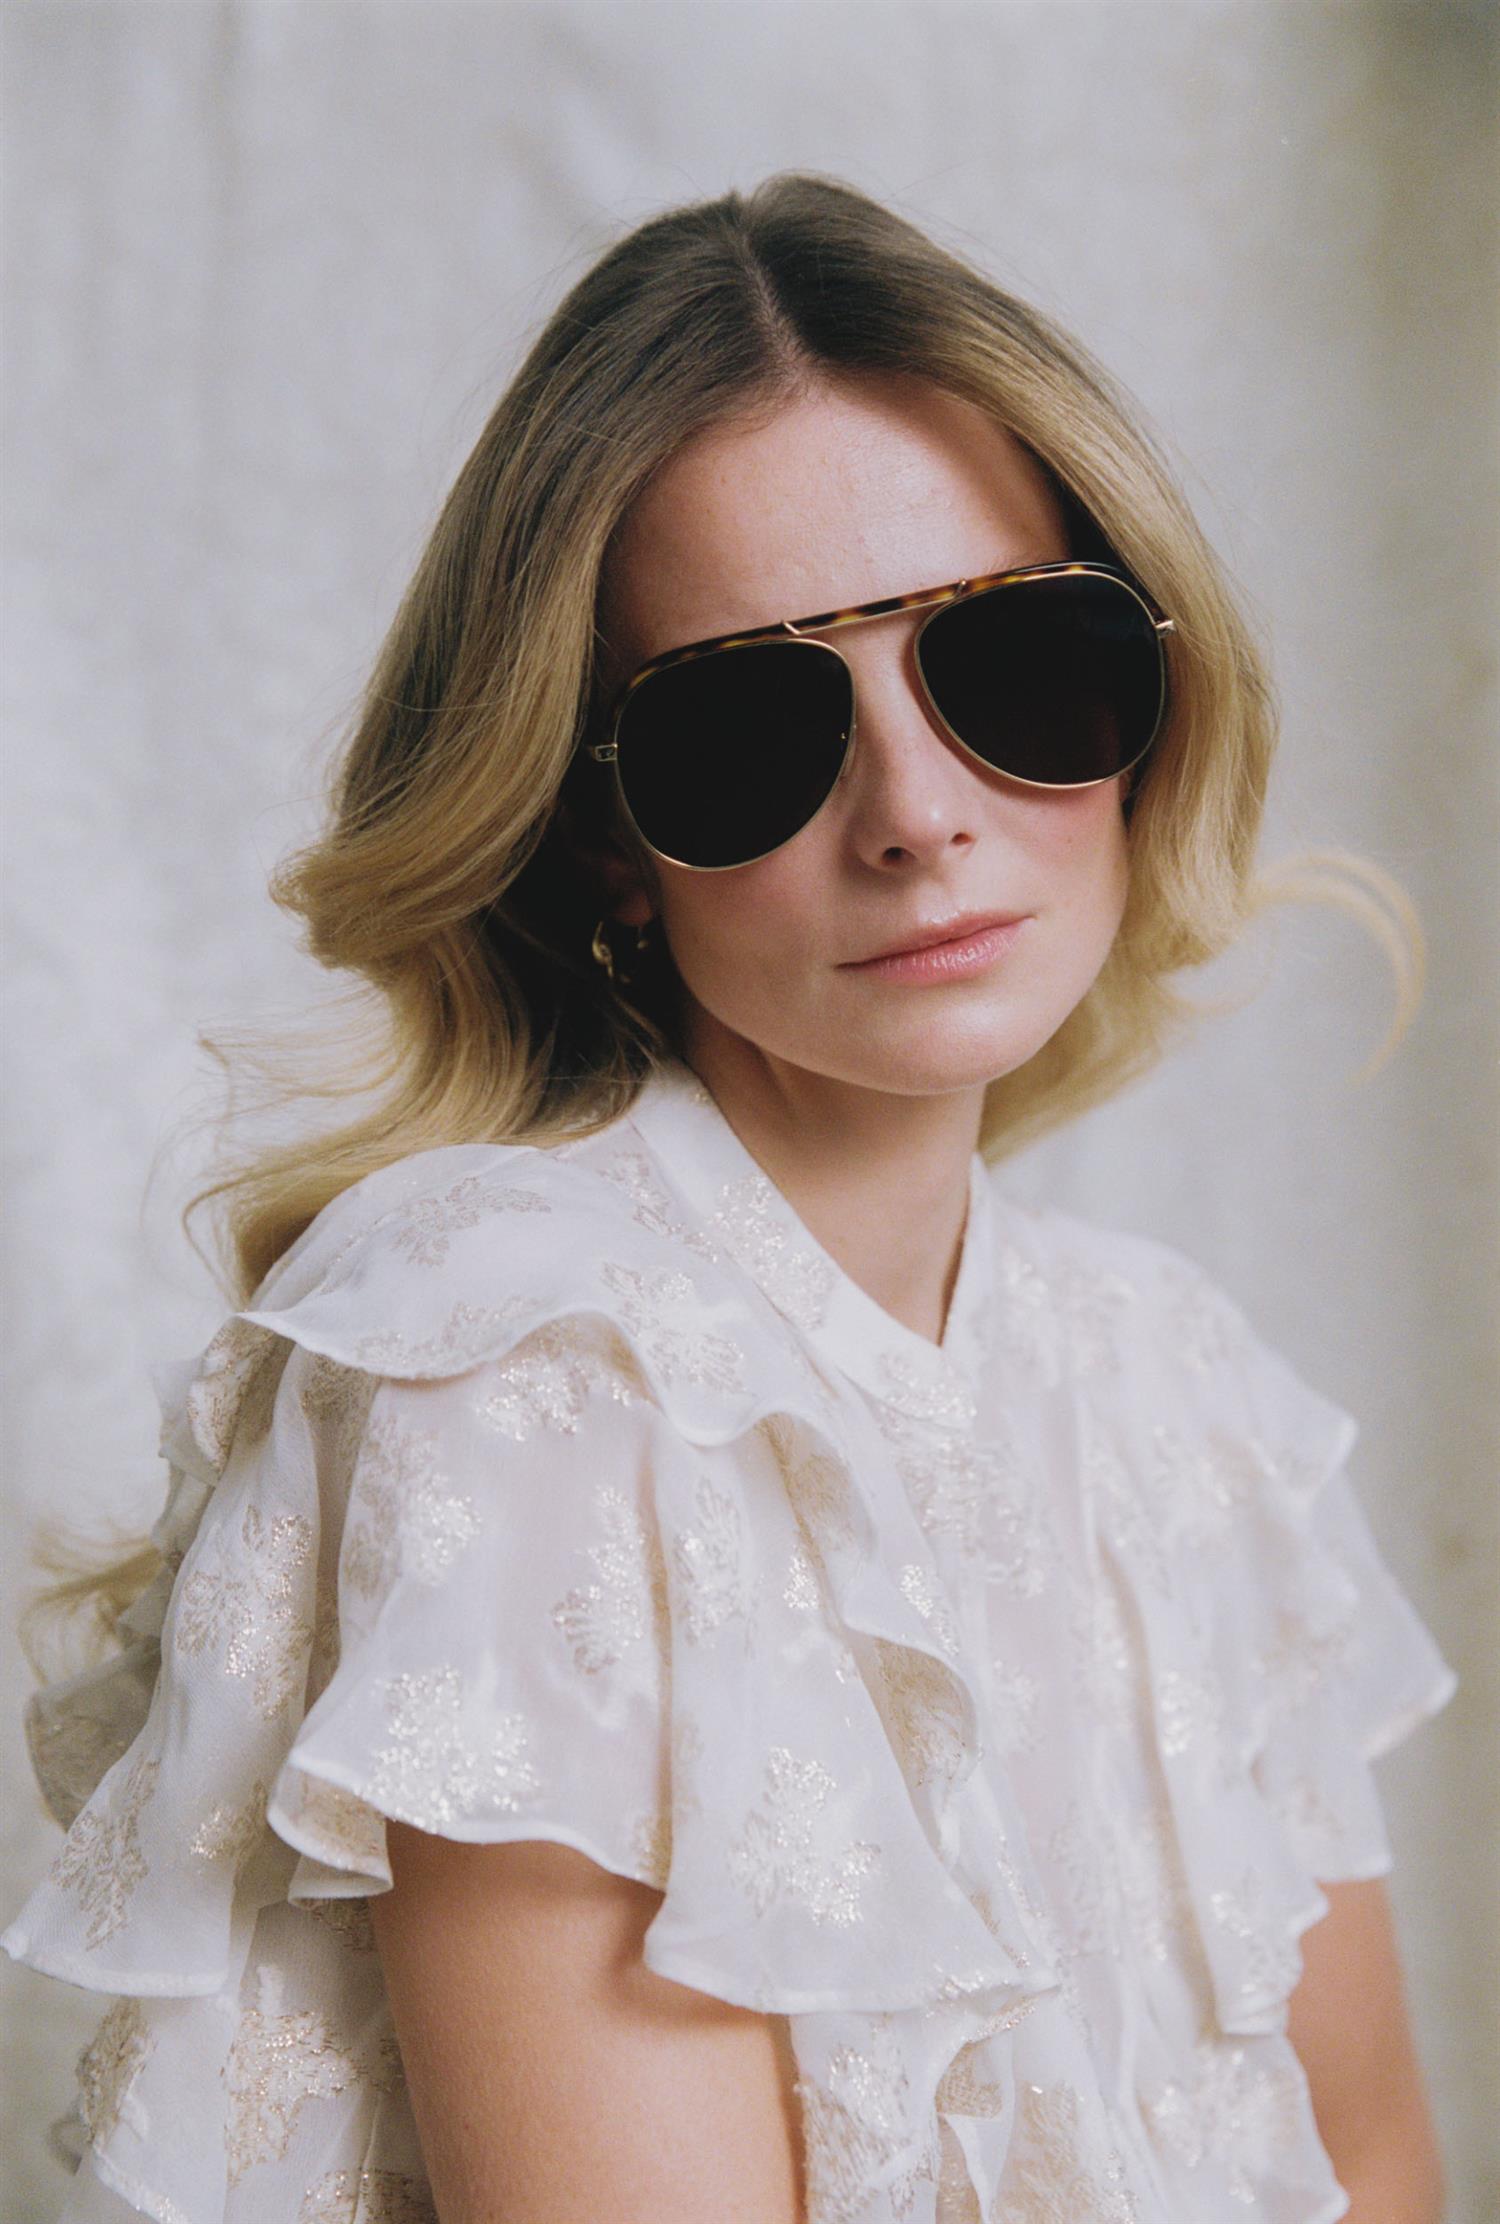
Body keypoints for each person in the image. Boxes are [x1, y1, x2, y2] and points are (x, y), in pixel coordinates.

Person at [3, 174, 1458, 2224]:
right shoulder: (515, 1360)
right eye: (748, 729)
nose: (917, 812)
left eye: (1019, 662)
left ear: (1152, 695)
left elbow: (1379, 2159)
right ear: (601, 832)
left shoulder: (1182, 1390)